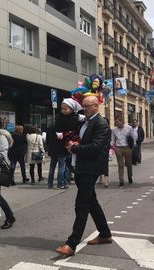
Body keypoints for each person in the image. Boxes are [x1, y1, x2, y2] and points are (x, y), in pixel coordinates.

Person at [55, 96, 112, 256]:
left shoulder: (101, 124)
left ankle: (72, 244)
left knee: (82, 205)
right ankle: (105, 234)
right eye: (83, 106)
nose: (84, 109)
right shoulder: (84, 122)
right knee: (92, 202)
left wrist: (74, 148)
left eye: (87, 106)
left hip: (90, 168)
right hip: (81, 166)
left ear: (96, 106)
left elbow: (95, 147)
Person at [111, 116, 136, 188]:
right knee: (120, 165)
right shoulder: (114, 130)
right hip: (118, 148)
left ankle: (130, 176)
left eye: (118, 122)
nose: (116, 124)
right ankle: (121, 181)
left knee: (128, 164)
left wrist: (132, 148)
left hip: (127, 147)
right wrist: (114, 148)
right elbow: (112, 140)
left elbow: (133, 138)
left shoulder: (129, 128)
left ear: (122, 122)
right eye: (116, 122)